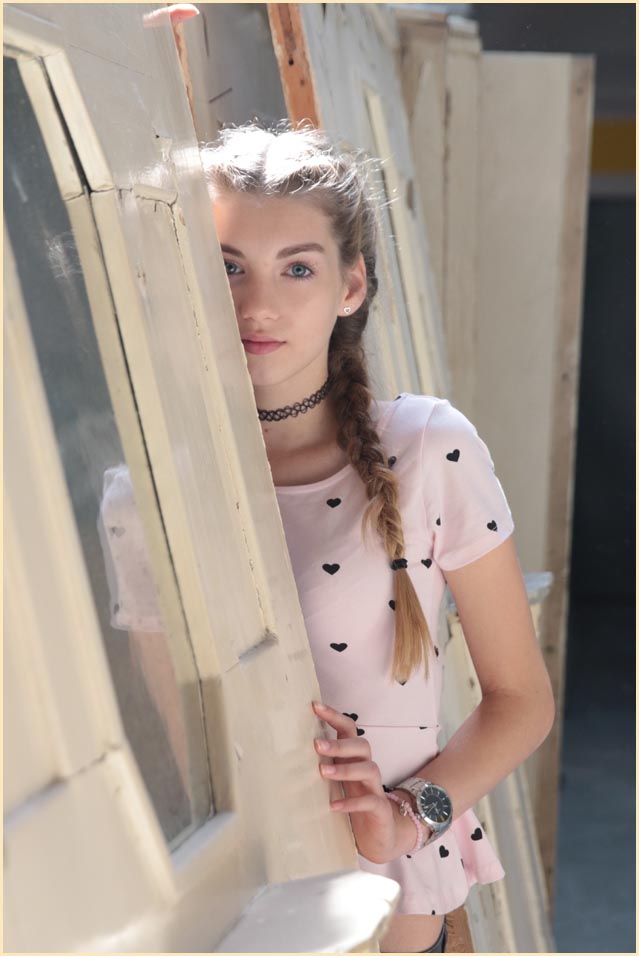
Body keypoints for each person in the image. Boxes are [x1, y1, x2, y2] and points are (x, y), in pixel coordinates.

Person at [200, 119, 555, 953]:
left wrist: (407, 814)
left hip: (383, 915)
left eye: (297, 268)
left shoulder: (428, 449)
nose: (257, 304)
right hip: (221, 916)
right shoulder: (148, 483)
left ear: (350, 285)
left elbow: (520, 700)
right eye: (228, 266)